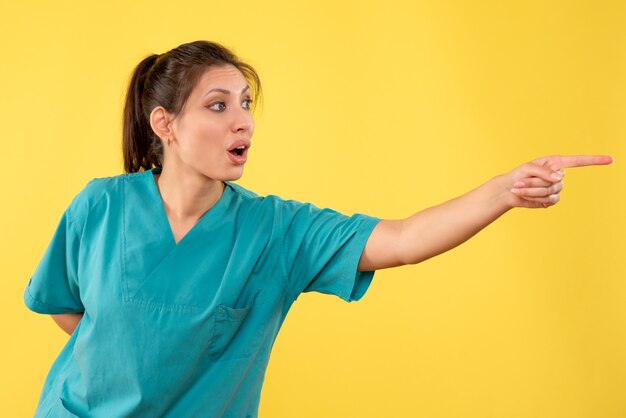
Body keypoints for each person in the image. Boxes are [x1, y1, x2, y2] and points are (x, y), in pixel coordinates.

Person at [23, 40, 613, 418]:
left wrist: (503, 191)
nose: (244, 122)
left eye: (247, 103)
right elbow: (65, 307)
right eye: (219, 105)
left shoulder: (277, 231)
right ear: (166, 124)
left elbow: (403, 240)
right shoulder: (100, 206)